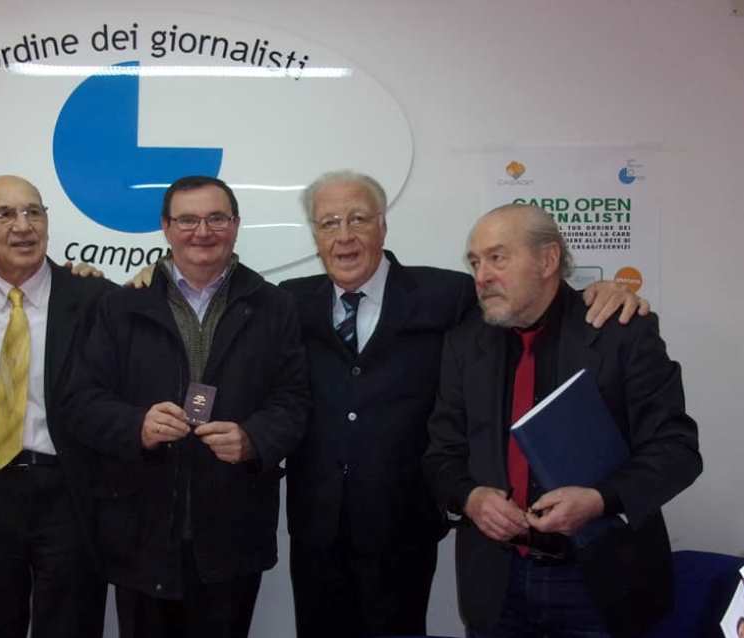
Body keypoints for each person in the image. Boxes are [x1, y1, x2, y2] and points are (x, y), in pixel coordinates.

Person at [279, 171, 647, 637]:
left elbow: (530, 301)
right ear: (315, 235)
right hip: (316, 529)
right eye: (329, 223)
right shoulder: (288, 302)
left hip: (403, 528)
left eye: (358, 219)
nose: (344, 236)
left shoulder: (450, 294)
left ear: (383, 225)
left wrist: (604, 291)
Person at [423, 203, 702, 637]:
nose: (481, 276)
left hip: (600, 580)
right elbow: (442, 454)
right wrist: (471, 497)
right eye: (475, 262)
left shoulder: (620, 331)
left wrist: (600, 499)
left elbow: (677, 450)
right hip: (496, 583)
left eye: (497, 258)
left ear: (548, 259)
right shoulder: (464, 344)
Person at [61, 175, 309, 638]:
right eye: (188, 220)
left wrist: (253, 439)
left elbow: (293, 400)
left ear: (236, 224)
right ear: (166, 227)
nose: (203, 232)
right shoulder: (119, 305)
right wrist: (136, 425)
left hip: (234, 531)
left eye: (216, 218)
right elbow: (80, 401)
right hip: (142, 530)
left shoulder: (275, 306)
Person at [0, 175, 113, 638]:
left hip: (70, 491)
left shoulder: (95, 297)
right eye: (4, 215)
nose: (23, 226)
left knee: (72, 625)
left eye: (33, 212)